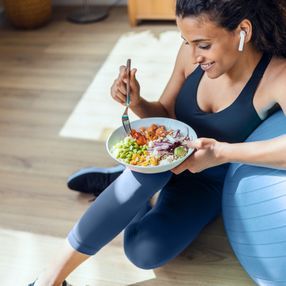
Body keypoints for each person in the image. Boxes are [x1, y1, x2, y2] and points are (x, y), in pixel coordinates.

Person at [29, 0, 286, 285]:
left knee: (143, 252)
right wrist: (137, 102)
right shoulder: (189, 57)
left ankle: (119, 180)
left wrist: (221, 153)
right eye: (186, 42)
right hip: (164, 157)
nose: (194, 55)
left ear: (243, 30)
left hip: (208, 180)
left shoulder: (277, 76)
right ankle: (50, 278)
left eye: (203, 44)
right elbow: (166, 114)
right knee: (153, 170)